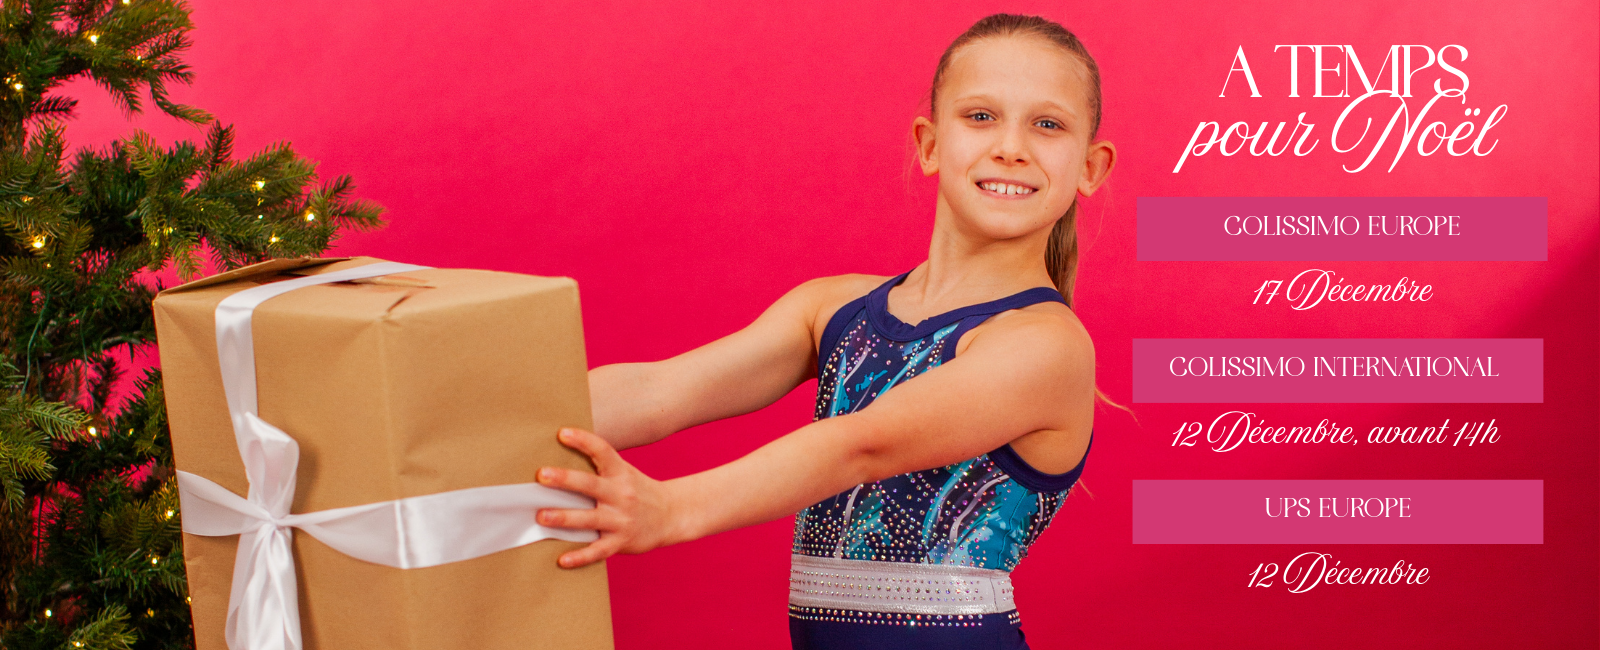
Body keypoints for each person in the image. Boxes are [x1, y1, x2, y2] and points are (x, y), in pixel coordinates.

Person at [534, 13, 1115, 649]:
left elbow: (860, 445)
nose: (1011, 146)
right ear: (928, 144)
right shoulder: (833, 308)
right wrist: (490, 423)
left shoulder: (1045, 344)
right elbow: (661, 391)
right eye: (980, 116)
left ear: (1091, 167)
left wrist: (670, 510)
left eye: (1047, 125)